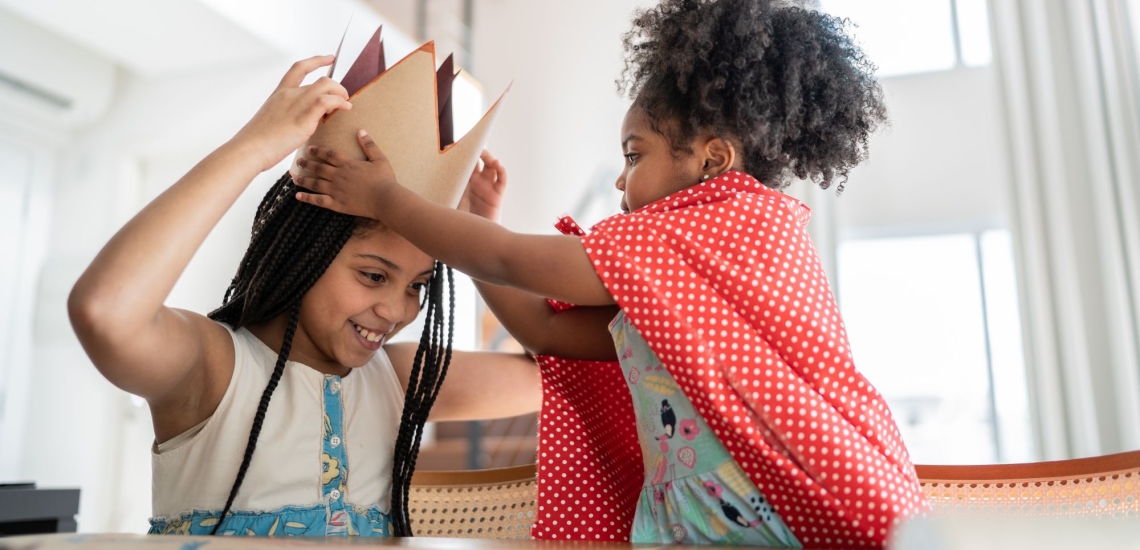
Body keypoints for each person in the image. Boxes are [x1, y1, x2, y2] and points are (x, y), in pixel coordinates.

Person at [293, 0, 930, 546]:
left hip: (794, 496)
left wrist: (385, 199)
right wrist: (485, 219)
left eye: (634, 155)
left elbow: (513, 258)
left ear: (712, 159)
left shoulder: (727, 225)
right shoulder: (686, 281)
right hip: (706, 519)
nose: (622, 181)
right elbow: (544, 331)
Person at [67, 55, 540, 538]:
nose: (397, 311)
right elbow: (106, 311)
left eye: (417, 286)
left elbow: (554, 374)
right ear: (301, 253)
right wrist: (252, 148)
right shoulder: (213, 370)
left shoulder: (396, 380)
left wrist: (478, 238)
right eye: (375, 276)